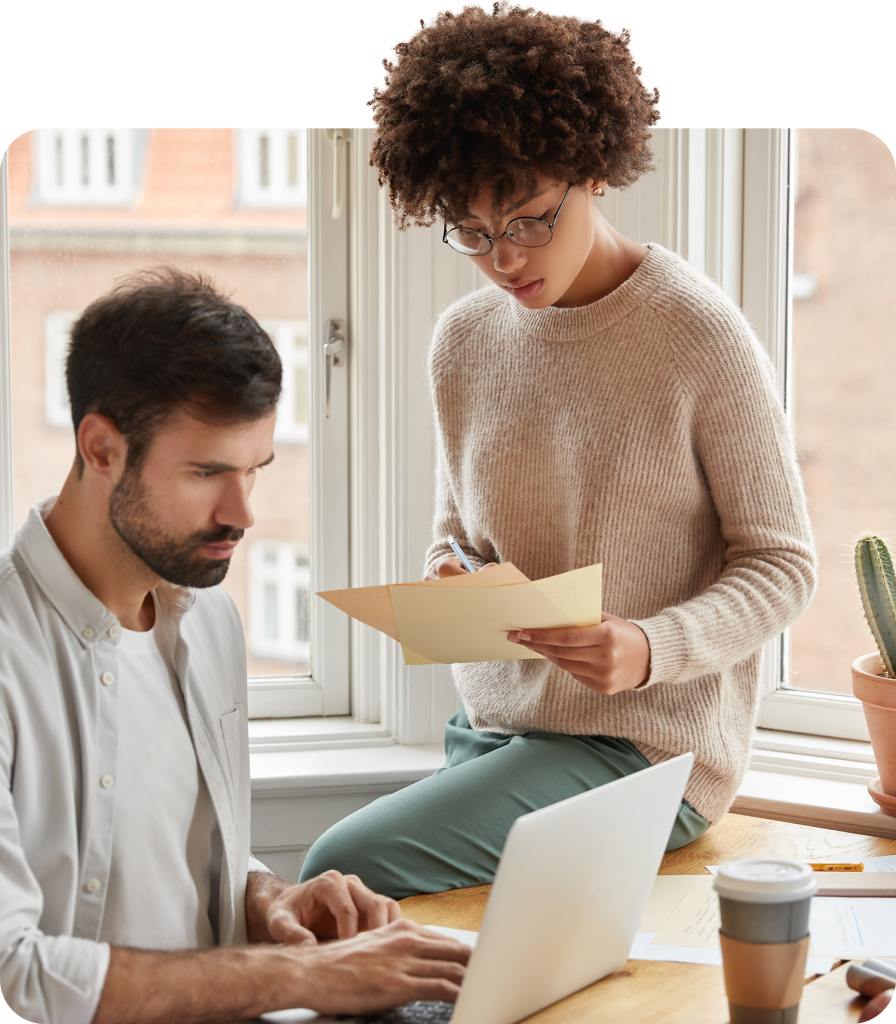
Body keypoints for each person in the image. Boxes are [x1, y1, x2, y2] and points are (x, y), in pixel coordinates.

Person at [300, 1, 817, 899]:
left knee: (337, 870)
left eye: (532, 218)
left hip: (644, 750)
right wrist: (452, 577)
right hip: (494, 729)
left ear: (593, 172)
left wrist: (650, 647)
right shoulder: (463, 341)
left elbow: (782, 564)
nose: (504, 258)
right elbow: (457, 531)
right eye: (472, 231)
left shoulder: (699, 336)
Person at [0, 268, 469, 1024]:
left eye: (255, 469)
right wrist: (305, 978)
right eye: (209, 472)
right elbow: (16, 974)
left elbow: (160, 860)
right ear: (101, 448)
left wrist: (269, 899)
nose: (243, 512)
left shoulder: (207, 621)